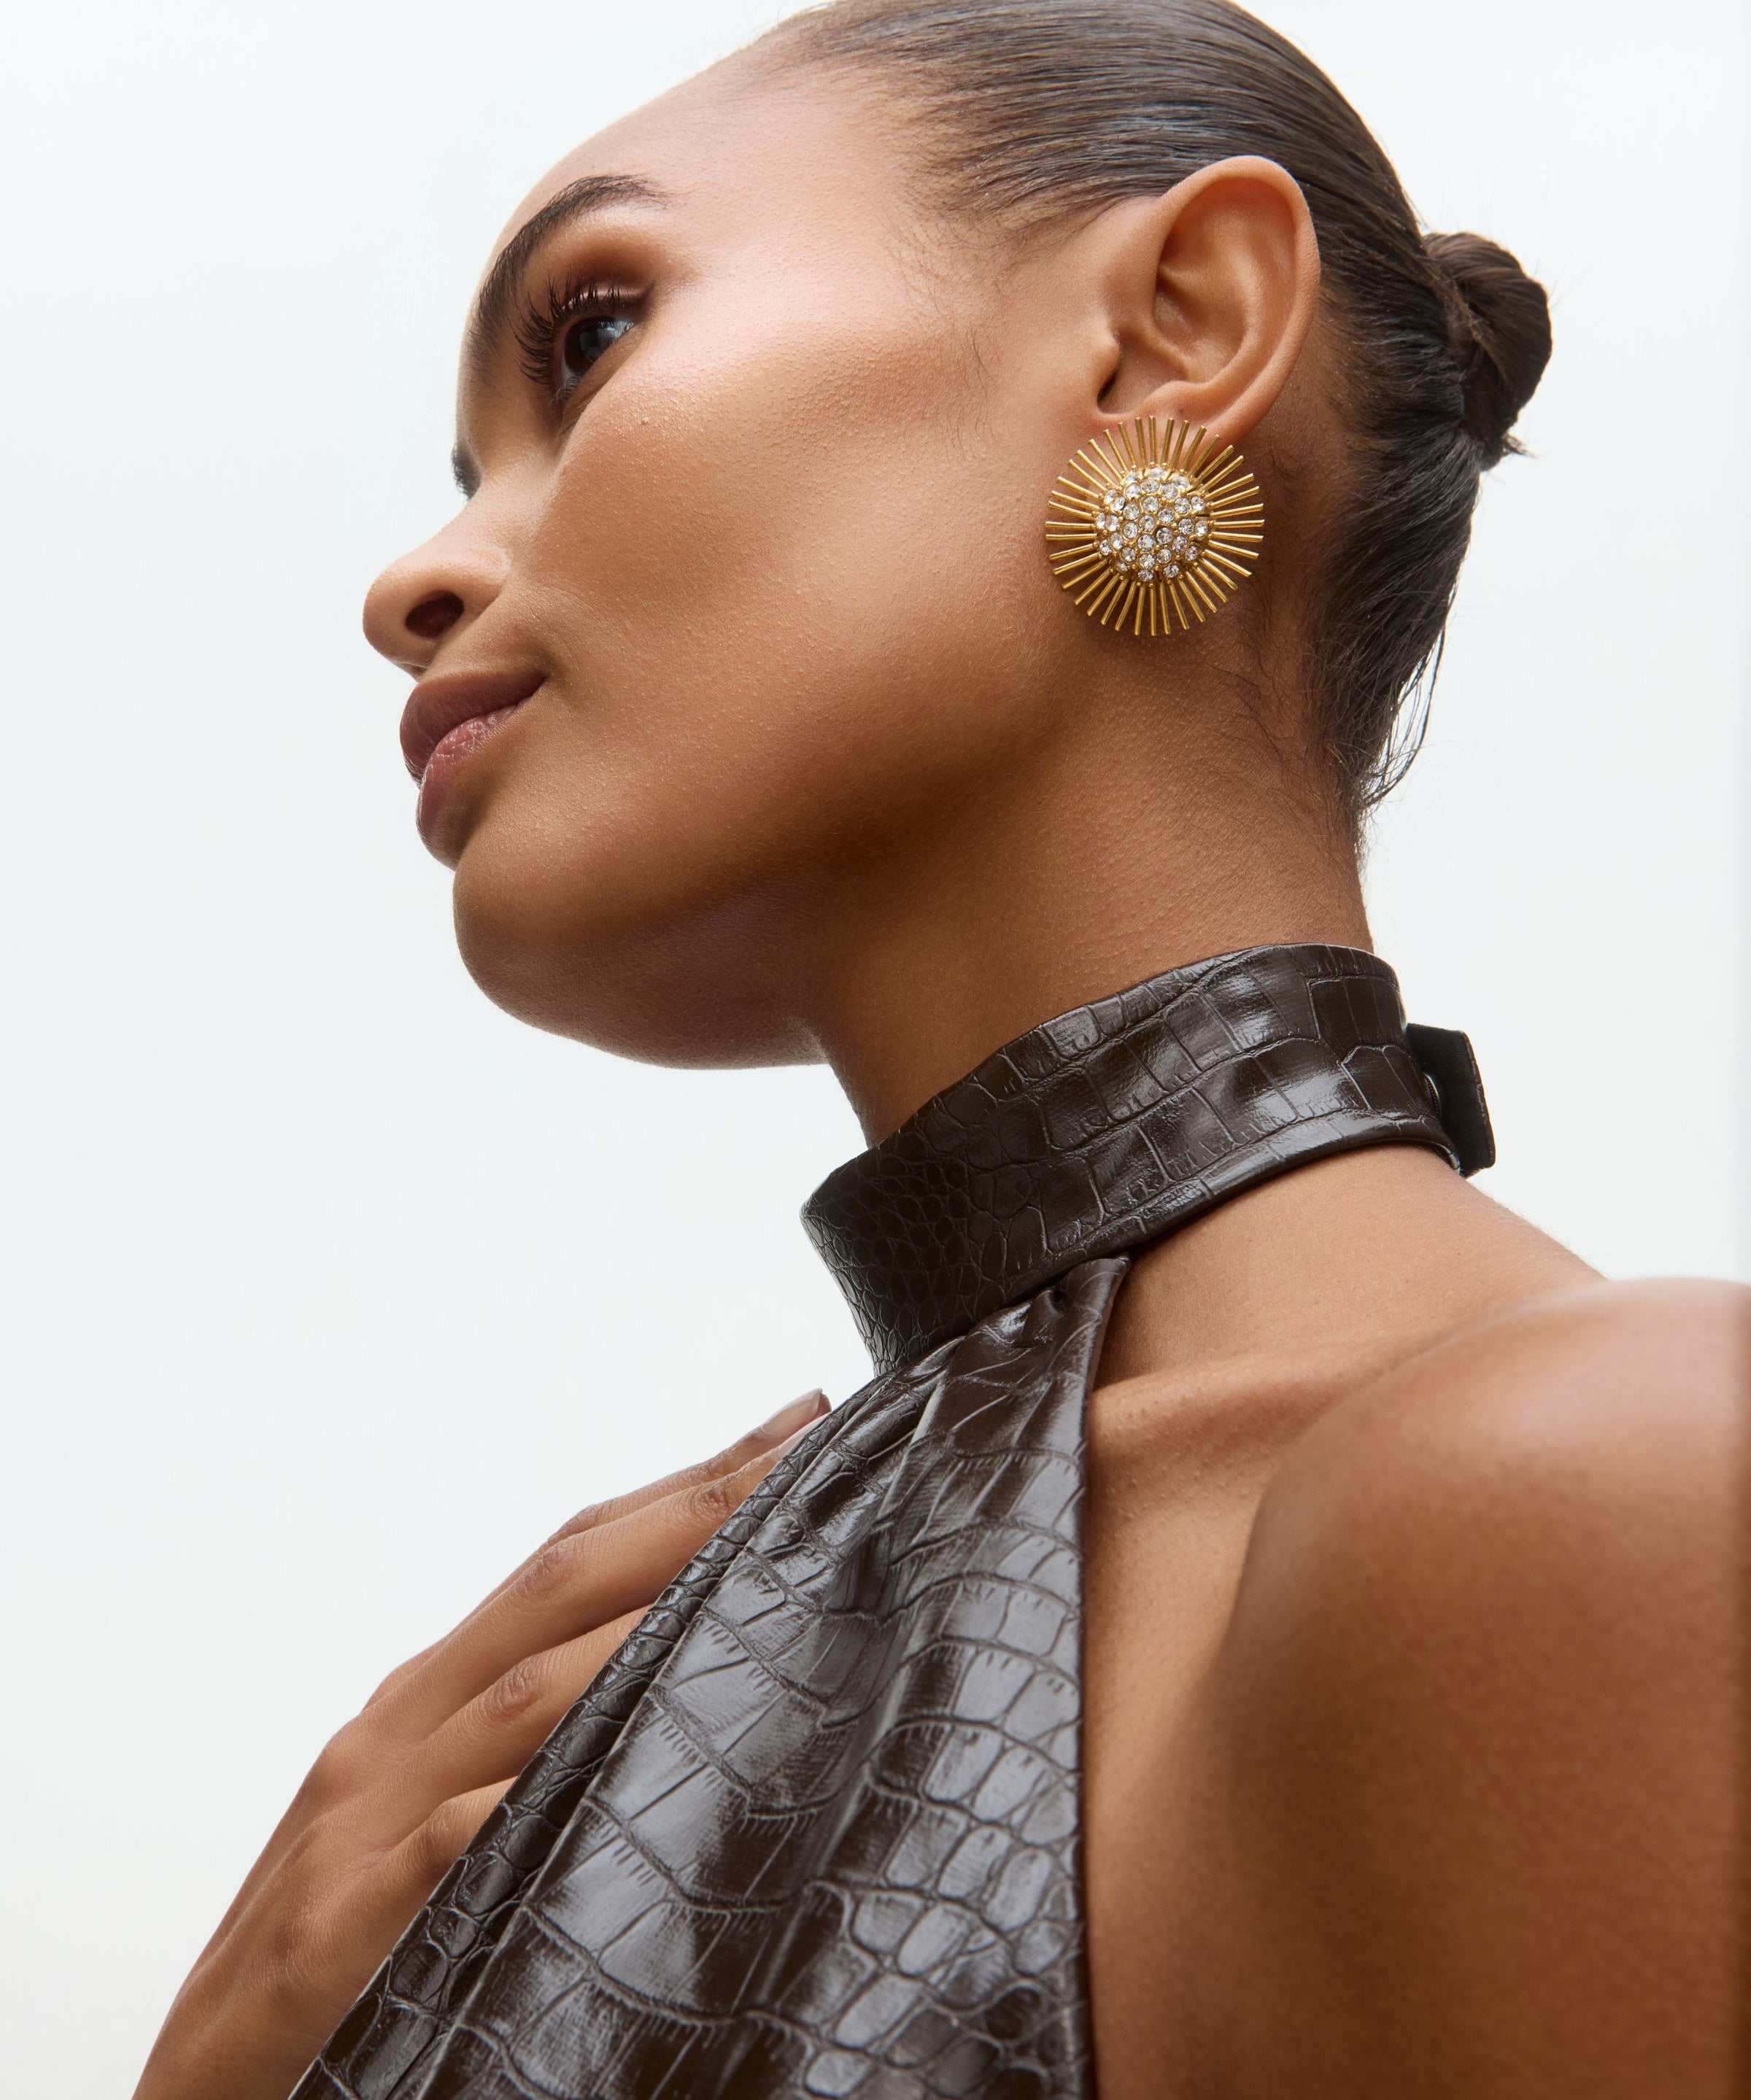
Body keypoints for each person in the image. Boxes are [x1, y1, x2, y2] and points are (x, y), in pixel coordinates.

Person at [135, 3, 1745, 2096]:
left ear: (1177, 331)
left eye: (591, 336)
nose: (414, 580)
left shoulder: (1608, 1494)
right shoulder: (633, 1698)